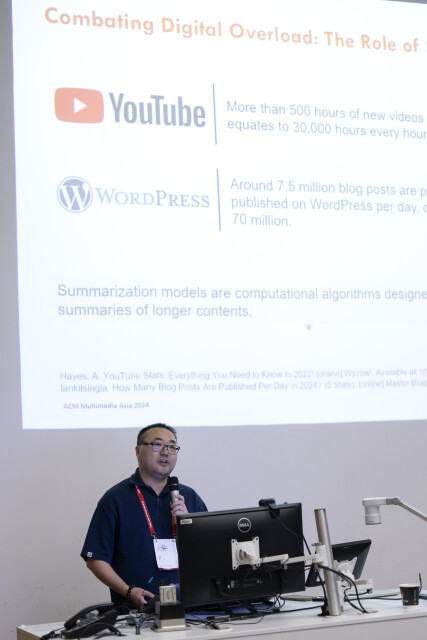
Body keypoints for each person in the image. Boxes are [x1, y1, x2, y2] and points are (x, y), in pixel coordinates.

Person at [81, 423, 207, 608]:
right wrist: (128, 591)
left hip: (189, 607)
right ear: (138, 450)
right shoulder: (115, 499)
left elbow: (208, 554)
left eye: (172, 447)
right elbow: (95, 559)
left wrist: (189, 526)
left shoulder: (189, 497)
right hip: (135, 611)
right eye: (157, 445)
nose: (165, 452)